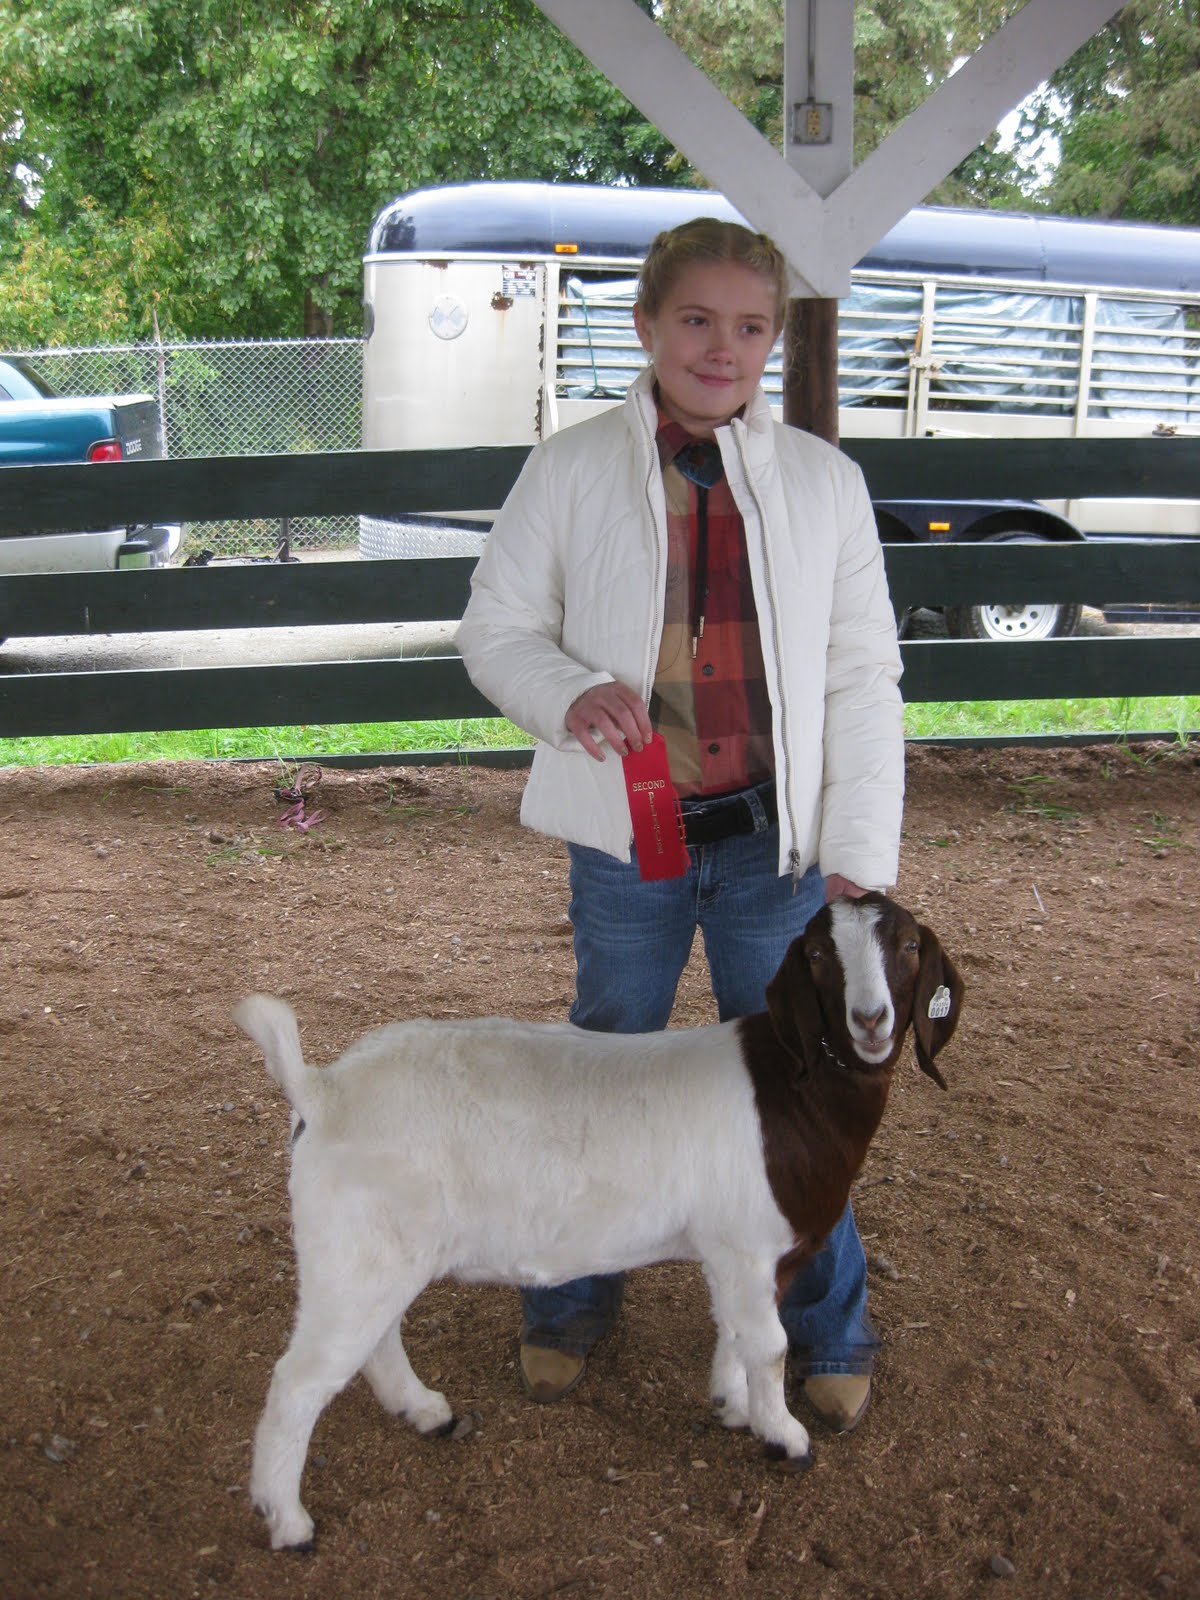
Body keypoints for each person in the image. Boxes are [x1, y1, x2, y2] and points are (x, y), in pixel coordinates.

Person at [456, 215, 904, 1435]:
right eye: (696, 320)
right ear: (647, 325)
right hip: (628, 843)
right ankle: (569, 1300)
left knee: (803, 1086)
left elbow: (864, 676)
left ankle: (827, 1324)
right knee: (607, 1060)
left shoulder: (826, 485)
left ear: (774, 340)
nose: (723, 347)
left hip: (777, 849)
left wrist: (859, 855)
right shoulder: (570, 468)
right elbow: (493, 630)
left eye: (749, 326)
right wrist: (566, 691)